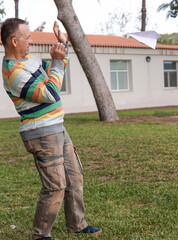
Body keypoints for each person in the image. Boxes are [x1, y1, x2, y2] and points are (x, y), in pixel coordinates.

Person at [1, 18, 102, 239]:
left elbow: (55, 71)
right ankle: (41, 235)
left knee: (74, 177)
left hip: (57, 128)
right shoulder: (12, 72)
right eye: (27, 37)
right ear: (15, 41)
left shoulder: (29, 60)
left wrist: (63, 46)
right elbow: (50, 93)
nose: (31, 40)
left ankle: (77, 224)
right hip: (42, 134)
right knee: (55, 186)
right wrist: (57, 61)